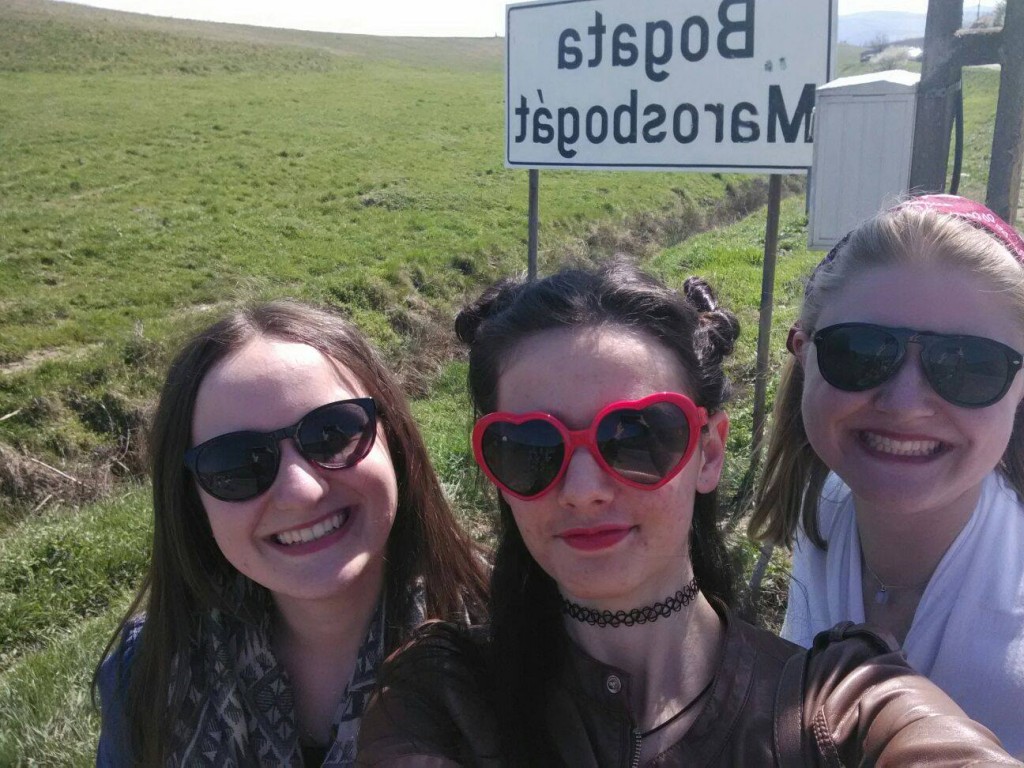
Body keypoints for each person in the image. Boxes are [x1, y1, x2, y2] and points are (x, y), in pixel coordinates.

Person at [356, 261, 1018, 766]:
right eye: (531, 448)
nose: (583, 489)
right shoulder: (440, 695)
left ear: (708, 452)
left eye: (637, 437)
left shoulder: (840, 704)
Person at [94, 300, 488, 767]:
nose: (301, 491)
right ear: (192, 503)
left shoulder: (518, 643)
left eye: (332, 433)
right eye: (237, 464)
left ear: (395, 440)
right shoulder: (145, 672)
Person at [750, 194, 1024, 755]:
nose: (904, 404)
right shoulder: (825, 506)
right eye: (859, 352)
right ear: (804, 353)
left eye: (970, 365)